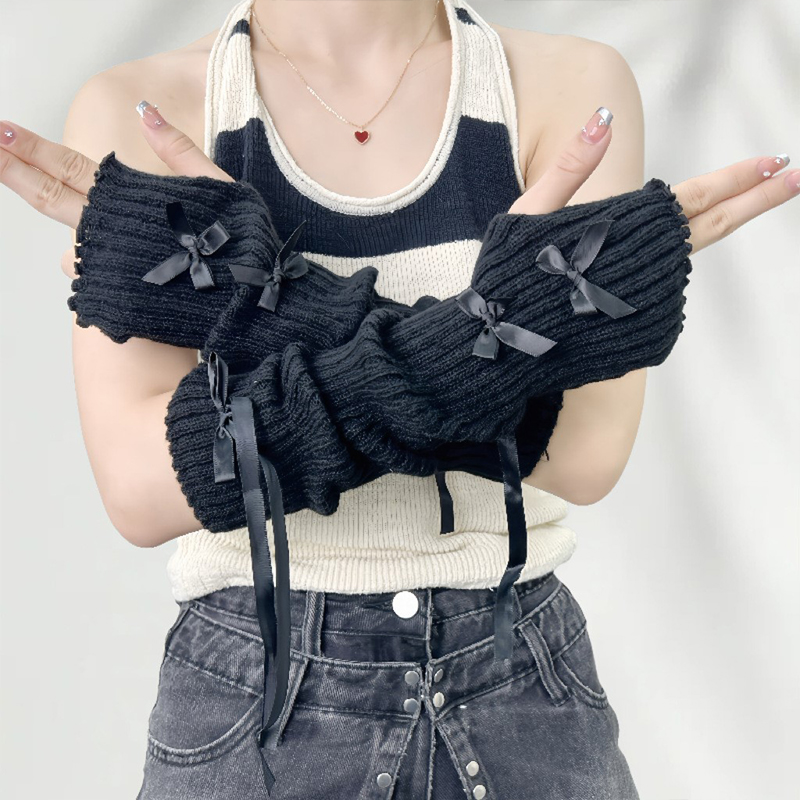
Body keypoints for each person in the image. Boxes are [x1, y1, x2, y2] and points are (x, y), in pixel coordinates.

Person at [0, 0, 796, 797]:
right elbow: (146, 490)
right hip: (256, 695)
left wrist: (278, 310)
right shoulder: (143, 106)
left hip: (516, 685)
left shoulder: (565, 86)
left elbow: (584, 455)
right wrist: (480, 342)